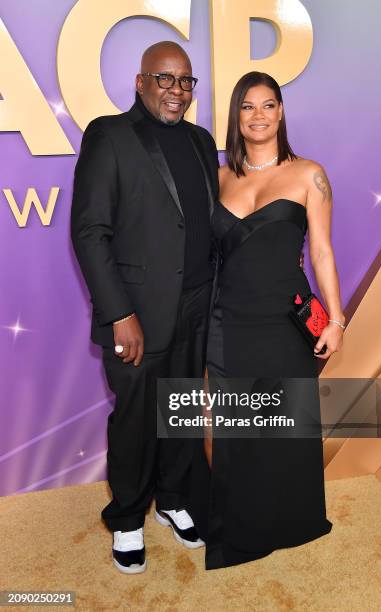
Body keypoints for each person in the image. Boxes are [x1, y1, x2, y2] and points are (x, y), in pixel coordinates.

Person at [70, 41, 220, 573]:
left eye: (185, 81)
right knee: (135, 420)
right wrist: (117, 313)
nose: (176, 91)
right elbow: (90, 232)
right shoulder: (110, 136)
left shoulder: (202, 142)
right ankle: (129, 517)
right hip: (136, 312)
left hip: (197, 304)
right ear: (141, 83)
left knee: (178, 410)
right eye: (164, 79)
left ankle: (174, 499)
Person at [187, 71, 345, 570]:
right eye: (248, 106)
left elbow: (320, 250)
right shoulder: (216, 178)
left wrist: (336, 319)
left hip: (284, 317)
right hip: (226, 317)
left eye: (268, 105)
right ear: (235, 116)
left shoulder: (309, 174)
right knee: (226, 425)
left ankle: (288, 520)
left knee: (284, 424)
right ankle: (238, 521)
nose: (259, 115)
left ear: (281, 112)